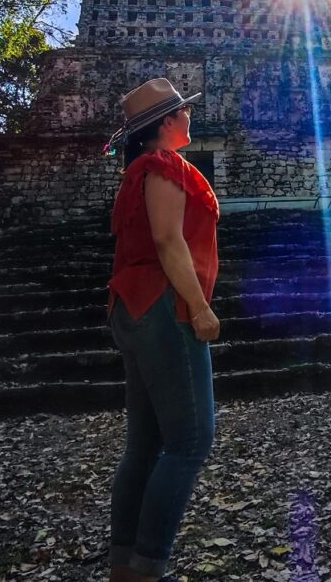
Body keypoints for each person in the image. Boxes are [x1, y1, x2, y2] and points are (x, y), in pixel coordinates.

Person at [105, 78, 221, 582]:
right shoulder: (165, 166)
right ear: (166, 124)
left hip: (128, 307)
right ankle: (149, 567)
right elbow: (168, 241)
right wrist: (199, 307)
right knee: (192, 440)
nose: (190, 119)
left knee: (145, 444)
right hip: (162, 305)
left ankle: (124, 564)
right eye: (184, 113)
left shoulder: (136, 174)